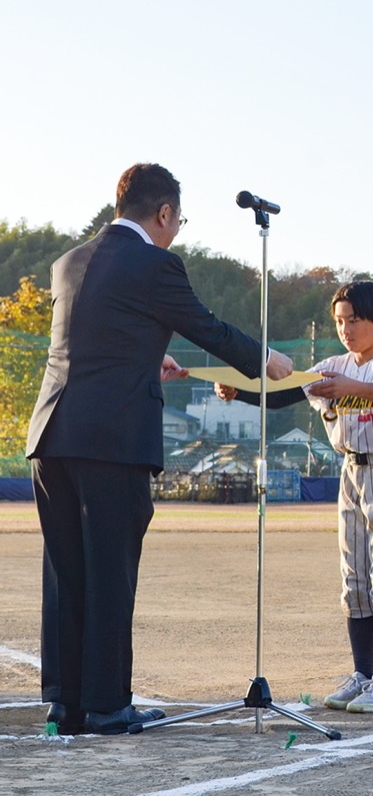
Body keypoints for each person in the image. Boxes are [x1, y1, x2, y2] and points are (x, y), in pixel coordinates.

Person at [26, 163, 293, 736]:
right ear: (164, 212)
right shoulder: (156, 263)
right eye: (179, 220)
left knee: (65, 569)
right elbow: (207, 327)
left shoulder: (68, 261)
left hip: (52, 435)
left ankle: (65, 702)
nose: (176, 231)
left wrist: (149, 359)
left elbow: (95, 338)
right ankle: (106, 705)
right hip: (112, 440)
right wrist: (264, 357)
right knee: (110, 569)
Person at [216, 281, 373, 712]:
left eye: (355, 320)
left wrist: (347, 387)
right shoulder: (332, 365)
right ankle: (362, 674)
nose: (346, 329)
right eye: (340, 321)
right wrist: (242, 393)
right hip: (351, 472)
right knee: (354, 578)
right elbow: (285, 395)